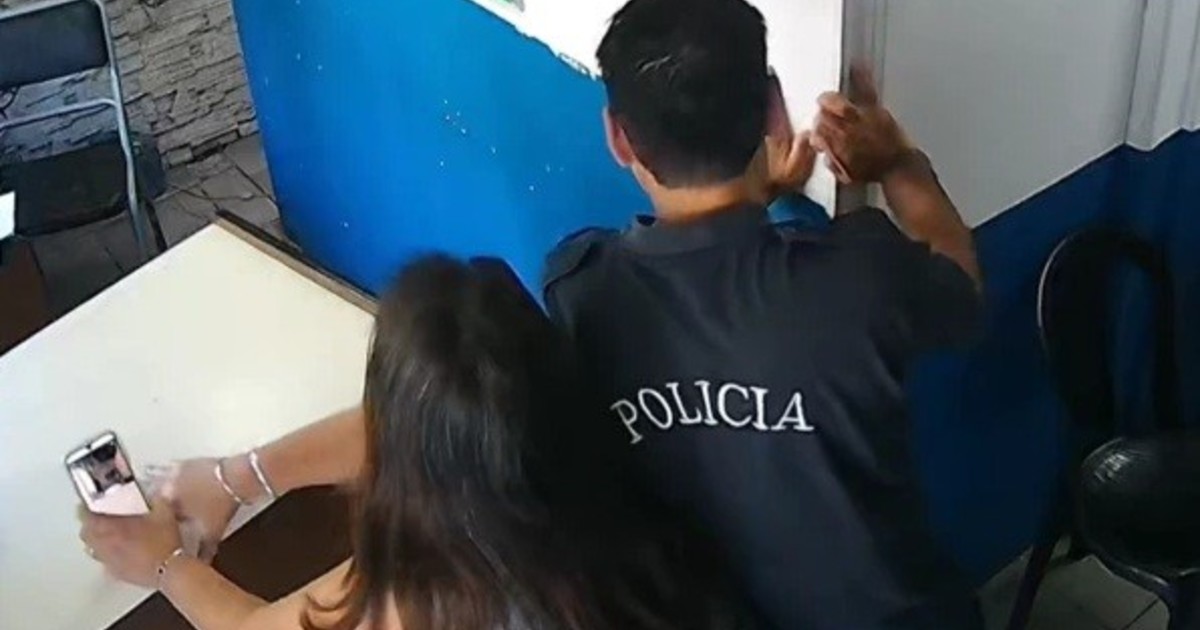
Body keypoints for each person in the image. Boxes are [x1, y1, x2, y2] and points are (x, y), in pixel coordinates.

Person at [540, 0, 984, 629]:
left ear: (618, 138)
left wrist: (758, 193)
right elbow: (961, 292)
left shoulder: (581, 291)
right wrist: (897, 164)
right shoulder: (858, 277)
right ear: (775, 111)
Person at [80, 256, 742, 630]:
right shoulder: (610, 457)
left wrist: (165, 563)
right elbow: (430, 420)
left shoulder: (433, 594)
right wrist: (238, 476)